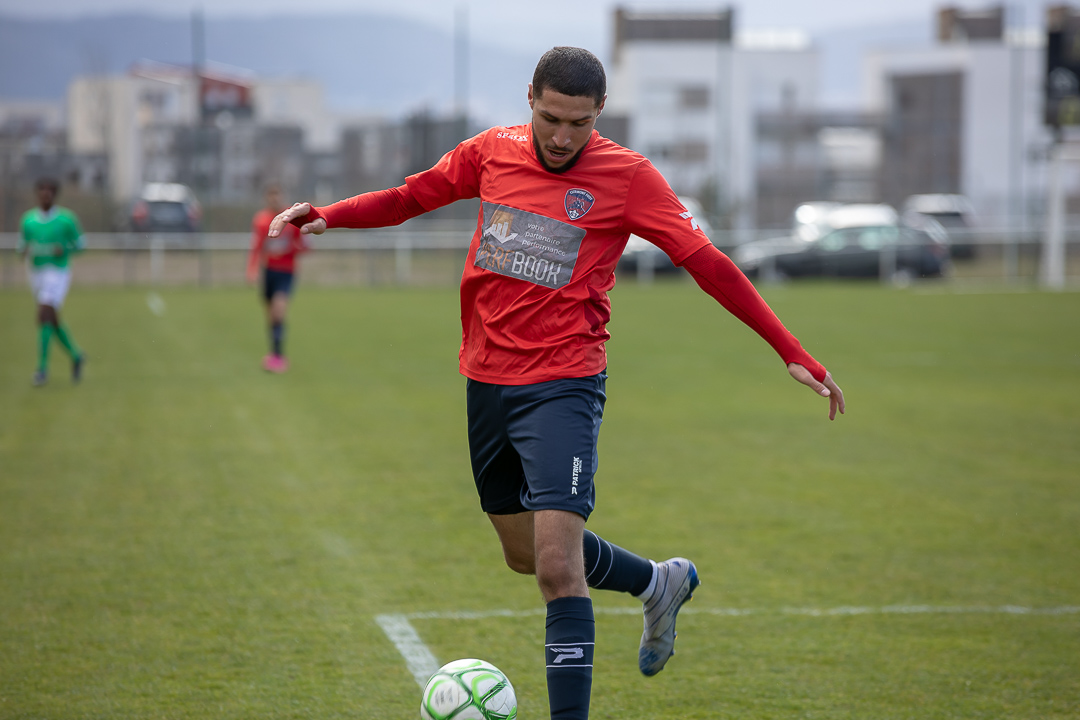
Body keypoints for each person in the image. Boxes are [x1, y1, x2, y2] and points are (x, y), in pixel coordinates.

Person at [270, 47, 845, 720]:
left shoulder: (628, 177)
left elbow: (707, 263)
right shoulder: (491, 152)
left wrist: (790, 349)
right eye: (551, 119)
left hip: (564, 382)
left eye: (579, 123)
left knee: (557, 569)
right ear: (530, 100)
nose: (564, 136)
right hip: (486, 378)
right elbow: (411, 196)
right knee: (524, 554)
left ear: (600, 112)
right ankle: (657, 583)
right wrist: (331, 214)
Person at [18, 177, 86, 387]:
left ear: (54, 195)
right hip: (36, 272)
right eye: (42, 192)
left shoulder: (66, 220)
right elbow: (22, 246)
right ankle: (76, 355)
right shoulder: (28, 220)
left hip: (57, 272)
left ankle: (42, 369)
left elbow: (81, 244)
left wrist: (64, 249)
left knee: (44, 313)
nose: (45, 196)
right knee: (51, 320)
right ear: (38, 195)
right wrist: (24, 251)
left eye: (49, 192)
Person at [247, 184, 309, 373]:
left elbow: (304, 245)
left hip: (286, 272)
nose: (274, 199)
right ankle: (274, 353)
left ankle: (279, 358)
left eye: (277, 196)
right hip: (269, 271)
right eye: (271, 196)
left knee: (278, 311)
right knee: (271, 316)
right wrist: (252, 269)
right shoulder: (261, 220)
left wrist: (290, 249)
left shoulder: (291, 218)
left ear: (282, 197)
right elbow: (257, 246)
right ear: (267, 198)